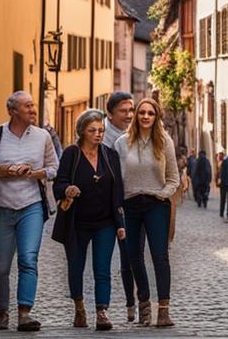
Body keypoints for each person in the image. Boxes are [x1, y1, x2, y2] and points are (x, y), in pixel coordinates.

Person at [0, 91, 59, 331]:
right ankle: (2, 312)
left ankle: (24, 312)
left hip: (31, 207)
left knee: (29, 259)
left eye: (33, 105)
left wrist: (38, 173)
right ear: (12, 111)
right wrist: (1, 170)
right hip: (0, 208)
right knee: (0, 265)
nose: (33, 110)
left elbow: (55, 168)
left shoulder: (43, 137)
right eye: (27, 106)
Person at [52, 109, 126, 331]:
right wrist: (67, 189)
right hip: (77, 223)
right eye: (92, 130)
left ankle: (102, 312)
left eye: (101, 130)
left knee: (102, 268)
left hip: (105, 222)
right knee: (76, 267)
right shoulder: (71, 155)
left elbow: (118, 191)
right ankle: (79, 307)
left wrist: (120, 224)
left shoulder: (110, 155)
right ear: (82, 131)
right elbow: (58, 184)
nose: (98, 134)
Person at [114, 97, 180, 327]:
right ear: (135, 115)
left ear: (156, 116)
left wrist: (162, 194)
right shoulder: (121, 143)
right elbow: (116, 179)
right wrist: (117, 203)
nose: (145, 117)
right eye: (141, 112)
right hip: (130, 204)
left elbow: (174, 178)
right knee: (134, 257)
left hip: (155, 204)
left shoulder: (164, 142)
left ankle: (163, 310)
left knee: (159, 256)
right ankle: (143, 304)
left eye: (150, 113)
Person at [102, 91, 137, 322]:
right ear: (111, 113)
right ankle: (98, 308)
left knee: (129, 257)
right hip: (103, 205)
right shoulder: (99, 134)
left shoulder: (133, 135)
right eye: (123, 111)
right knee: (102, 259)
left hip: (127, 204)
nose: (128, 115)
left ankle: (131, 305)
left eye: (130, 110)